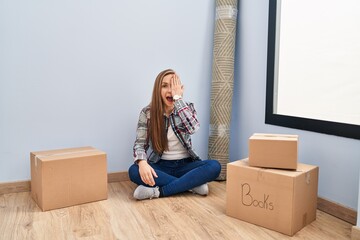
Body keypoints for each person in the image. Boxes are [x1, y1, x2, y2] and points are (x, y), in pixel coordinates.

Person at [128, 69, 221, 200]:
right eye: (165, 86)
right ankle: (192, 185)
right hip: (161, 165)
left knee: (215, 166)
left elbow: (193, 128)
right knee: (133, 171)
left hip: (186, 165)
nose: (170, 90)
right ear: (157, 90)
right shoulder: (147, 112)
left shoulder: (187, 107)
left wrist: (178, 100)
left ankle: (159, 192)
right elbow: (140, 144)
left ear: (180, 89)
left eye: (174, 86)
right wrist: (142, 163)